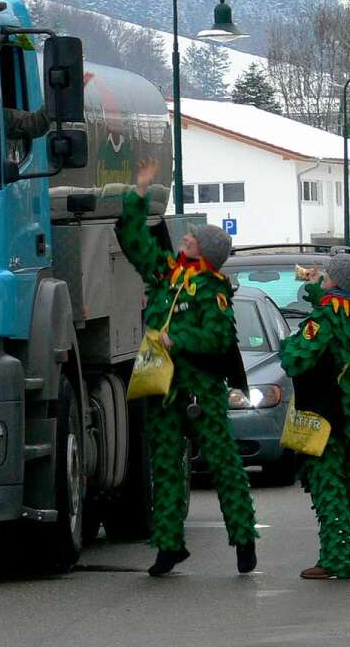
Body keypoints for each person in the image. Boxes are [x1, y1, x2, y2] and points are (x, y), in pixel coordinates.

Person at [115, 157, 258, 577]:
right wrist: (139, 193)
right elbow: (134, 242)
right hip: (162, 384)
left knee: (223, 461)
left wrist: (180, 340)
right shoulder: (166, 274)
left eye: (193, 240)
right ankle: (169, 546)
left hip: (200, 387)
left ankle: (244, 538)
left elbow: (216, 336)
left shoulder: (213, 289)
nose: (186, 240)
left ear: (206, 253)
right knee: (165, 464)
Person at [280, 254, 350, 580]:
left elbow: (297, 359)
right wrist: (320, 288)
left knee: (328, 486)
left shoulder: (325, 318)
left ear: (334, 281)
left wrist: (288, 344)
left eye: (327, 274)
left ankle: (337, 558)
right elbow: (337, 304)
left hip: (326, 416)